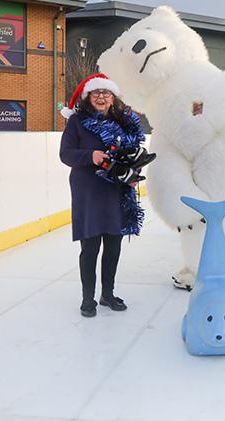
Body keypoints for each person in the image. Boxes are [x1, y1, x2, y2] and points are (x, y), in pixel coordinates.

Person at [59, 73, 145, 318]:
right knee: (91, 247)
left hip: (115, 190)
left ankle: (107, 294)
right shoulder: (77, 122)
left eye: (105, 93)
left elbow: (132, 153)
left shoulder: (122, 122)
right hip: (88, 191)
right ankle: (88, 299)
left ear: (112, 98)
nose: (101, 97)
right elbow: (65, 154)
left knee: (114, 245)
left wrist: (132, 175)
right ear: (88, 97)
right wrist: (91, 156)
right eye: (96, 93)